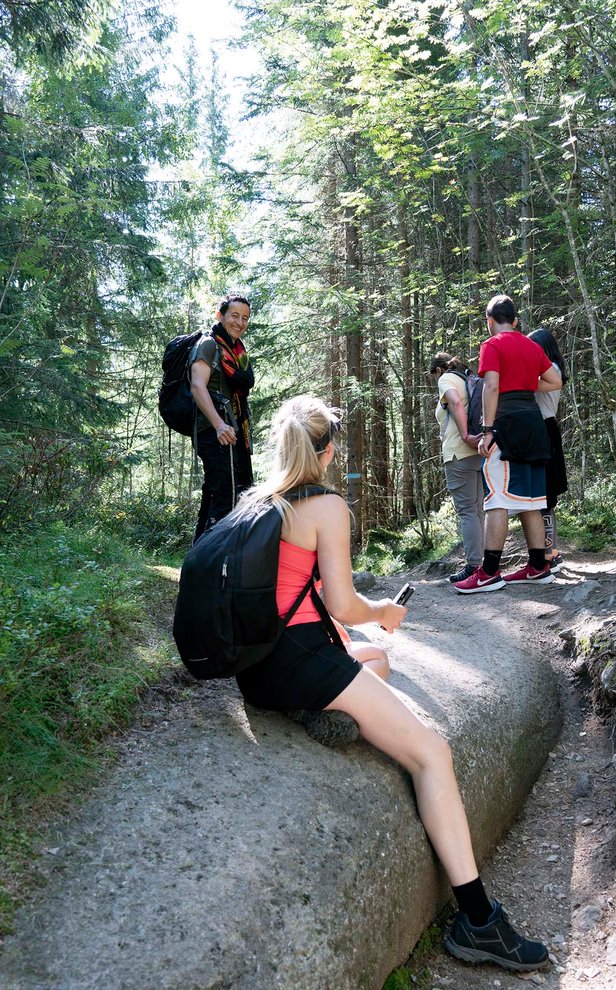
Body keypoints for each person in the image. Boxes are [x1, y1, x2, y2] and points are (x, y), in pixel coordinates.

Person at [234, 395, 550, 973]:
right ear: (326, 452)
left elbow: (290, 596)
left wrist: (359, 634)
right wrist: (382, 610)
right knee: (432, 753)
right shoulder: (325, 504)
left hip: (258, 671)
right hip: (302, 661)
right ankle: (479, 921)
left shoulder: (257, 503)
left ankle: (320, 712)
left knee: (374, 662)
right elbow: (342, 601)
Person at [454, 295, 562, 594]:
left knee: (497, 499)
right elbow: (555, 382)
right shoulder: (532, 346)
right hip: (534, 424)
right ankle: (539, 566)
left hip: (506, 423)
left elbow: (491, 386)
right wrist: (526, 383)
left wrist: (488, 430)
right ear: (515, 321)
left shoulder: (492, 345)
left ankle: (488, 572)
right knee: (532, 499)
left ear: (489, 320)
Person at [190, 295, 255, 542]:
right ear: (221, 316)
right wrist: (218, 424)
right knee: (226, 498)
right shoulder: (208, 344)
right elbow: (198, 386)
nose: (240, 322)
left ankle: (199, 560)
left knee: (216, 495)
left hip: (232, 431)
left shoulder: (238, 352)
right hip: (213, 431)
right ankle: (215, 564)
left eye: (245, 318)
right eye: (234, 316)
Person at [429, 352, 485, 584]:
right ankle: (483, 564)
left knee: (467, 511)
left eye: (433, 376)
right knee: (478, 509)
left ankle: (474, 565)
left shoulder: (447, 380)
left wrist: (465, 436)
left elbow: (453, 401)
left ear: (438, 370)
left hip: (458, 452)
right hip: (478, 452)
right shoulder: (467, 378)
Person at [528, 328, 568, 570]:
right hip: (545, 426)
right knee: (545, 497)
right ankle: (550, 551)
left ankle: (549, 554)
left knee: (545, 496)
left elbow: (528, 384)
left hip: (544, 427)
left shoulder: (550, 368)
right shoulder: (553, 367)